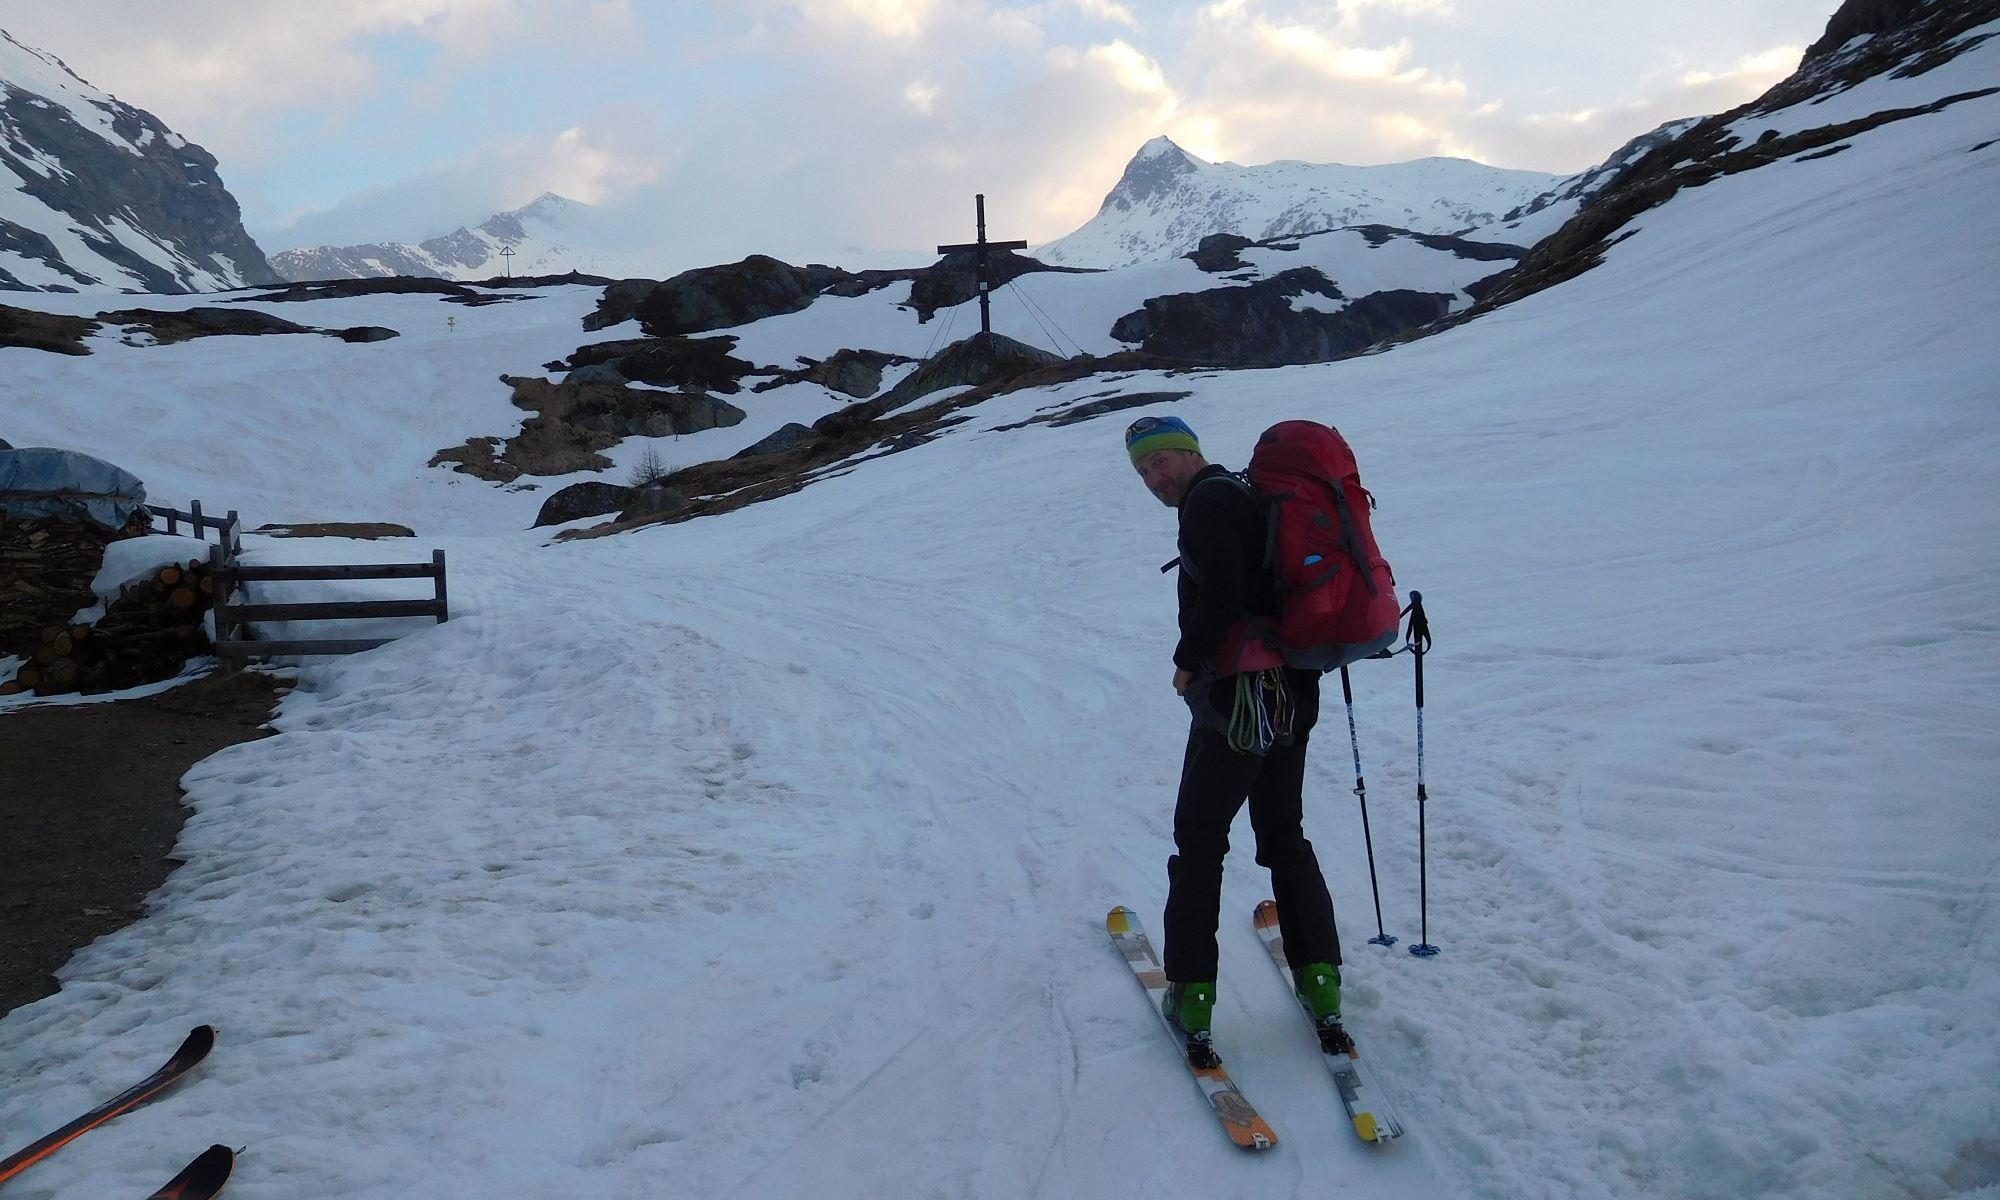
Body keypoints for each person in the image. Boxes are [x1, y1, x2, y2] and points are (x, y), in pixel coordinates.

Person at [1126, 414, 1351, 1066]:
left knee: (1199, 840)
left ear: (1189, 452)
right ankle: (1321, 982)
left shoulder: (1209, 504)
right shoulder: (1248, 495)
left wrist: (1186, 660)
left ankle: (1192, 995)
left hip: (1239, 705)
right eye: (1143, 471)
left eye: (1161, 461)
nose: (1154, 478)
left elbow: (1222, 594)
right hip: (1292, 693)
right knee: (1283, 835)